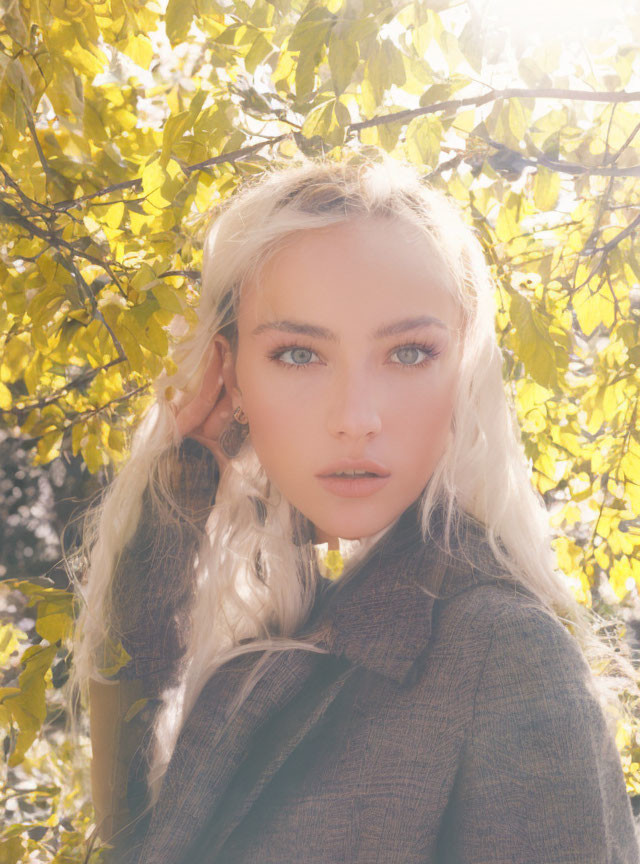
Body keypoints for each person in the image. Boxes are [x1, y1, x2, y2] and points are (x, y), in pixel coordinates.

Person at [67, 155, 640, 863]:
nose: (356, 418)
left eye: (407, 353)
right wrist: (176, 501)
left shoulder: (504, 652)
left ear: (463, 371)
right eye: (299, 355)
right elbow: (136, 835)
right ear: (230, 375)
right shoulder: (295, 632)